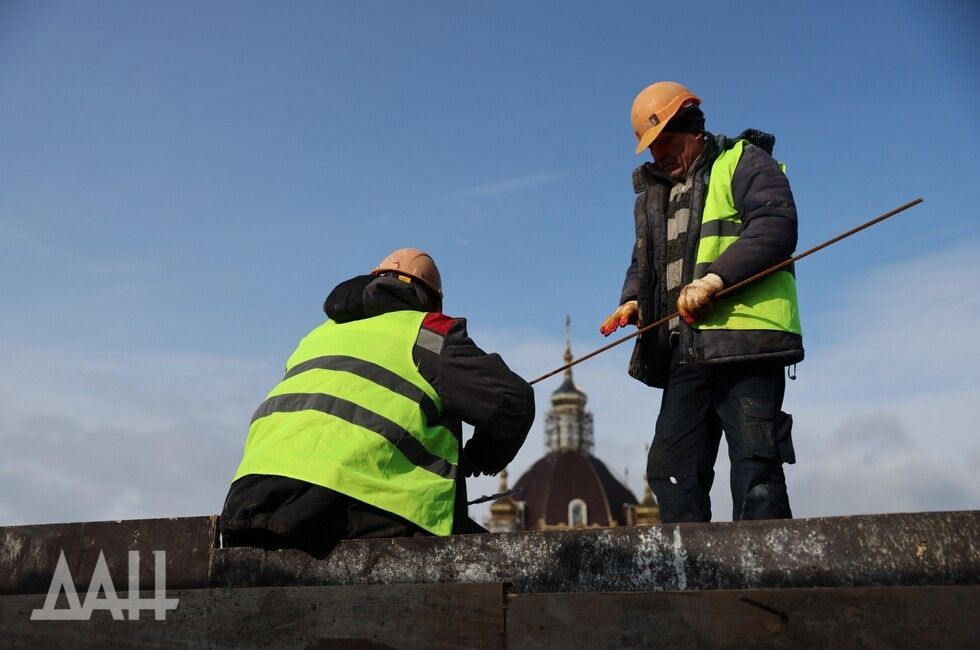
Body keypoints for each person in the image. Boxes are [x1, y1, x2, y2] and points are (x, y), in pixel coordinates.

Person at [221, 248, 535, 556]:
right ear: (431, 300)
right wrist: (478, 459)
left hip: (248, 505)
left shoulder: (316, 336)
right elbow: (513, 403)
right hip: (351, 504)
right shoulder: (424, 331)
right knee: (505, 565)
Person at [600, 81, 803, 523]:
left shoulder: (744, 162)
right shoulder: (659, 193)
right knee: (671, 469)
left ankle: (768, 579)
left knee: (755, 468)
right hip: (686, 351)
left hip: (746, 343)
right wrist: (634, 300)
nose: (658, 156)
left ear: (691, 127)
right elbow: (645, 259)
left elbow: (775, 225)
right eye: (652, 149)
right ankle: (692, 574)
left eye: (665, 142)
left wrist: (714, 280)